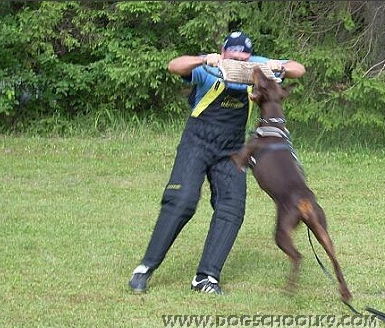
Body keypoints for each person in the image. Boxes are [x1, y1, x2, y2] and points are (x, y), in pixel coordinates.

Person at [128, 31, 306, 295]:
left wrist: (278, 66)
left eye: (243, 55)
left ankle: (206, 277)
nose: (238, 59)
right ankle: (145, 268)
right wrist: (203, 60)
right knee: (182, 201)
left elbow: (298, 70)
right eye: (232, 54)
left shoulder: (257, 66)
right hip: (198, 142)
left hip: (232, 148)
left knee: (232, 208)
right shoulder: (207, 68)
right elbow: (173, 65)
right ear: (223, 52)